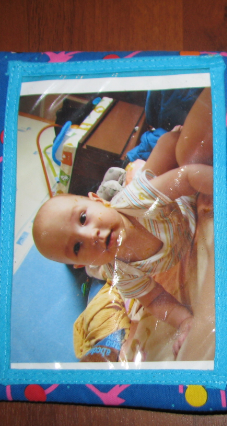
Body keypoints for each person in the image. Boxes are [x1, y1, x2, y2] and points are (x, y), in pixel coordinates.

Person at [33, 88, 214, 358]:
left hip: (173, 197)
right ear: (82, 264)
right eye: (77, 247)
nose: (91, 235)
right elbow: (155, 299)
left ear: (99, 200)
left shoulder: (137, 200)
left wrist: (220, 188)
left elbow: (186, 178)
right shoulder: (122, 273)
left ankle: (162, 143)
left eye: (83, 218)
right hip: (177, 232)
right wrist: (183, 320)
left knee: (172, 147)